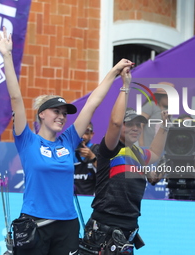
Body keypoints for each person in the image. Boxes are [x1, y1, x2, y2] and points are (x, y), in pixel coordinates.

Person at [0, 27, 134, 255]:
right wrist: (6, 55)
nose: (61, 116)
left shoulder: (68, 141)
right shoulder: (27, 140)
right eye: (55, 111)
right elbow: (16, 97)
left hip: (67, 225)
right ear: (41, 114)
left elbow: (92, 103)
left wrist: (115, 71)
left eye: (64, 113)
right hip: (35, 224)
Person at [79, 66, 169, 254]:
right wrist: (125, 86)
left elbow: (155, 152)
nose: (136, 128)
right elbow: (115, 122)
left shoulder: (138, 153)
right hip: (104, 228)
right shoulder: (110, 148)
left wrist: (164, 128)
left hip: (128, 229)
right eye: (130, 124)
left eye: (139, 125)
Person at [139, 82, 174, 147]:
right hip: (148, 149)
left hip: (162, 149)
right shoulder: (151, 105)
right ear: (160, 96)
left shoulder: (168, 110)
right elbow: (139, 124)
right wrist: (142, 146)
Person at [74, 122, 99, 195]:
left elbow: (106, 174)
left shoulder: (97, 150)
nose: (83, 136)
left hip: (90, 201)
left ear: (91, 135)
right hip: (69, 201)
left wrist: (92, 157)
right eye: (80, 132)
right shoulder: (66, 151)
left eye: (86, 132)